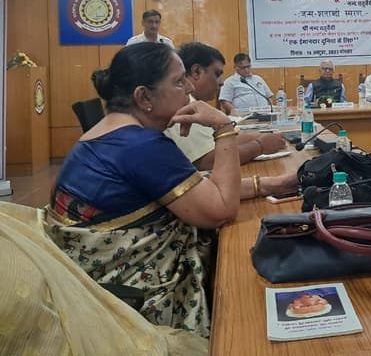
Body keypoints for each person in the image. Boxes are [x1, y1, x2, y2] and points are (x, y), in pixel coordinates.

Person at [44, 43, 297, 338]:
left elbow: (194, 188)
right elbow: (221, 209)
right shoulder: (141, 146)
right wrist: (223, 128)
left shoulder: (108, 133)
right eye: (178, 81)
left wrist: (271, 184)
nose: (189, 87)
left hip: (86, 286)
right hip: (133, 303)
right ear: (144, 97)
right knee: (249, 277)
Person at [165, 42, 286, 170]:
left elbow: (222, 141)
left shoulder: (195, 103)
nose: (221, 82)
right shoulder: (184, 104)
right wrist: (259, 146)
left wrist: (260, 136)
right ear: (196, 72)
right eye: (217, 74)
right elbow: (207, 161)